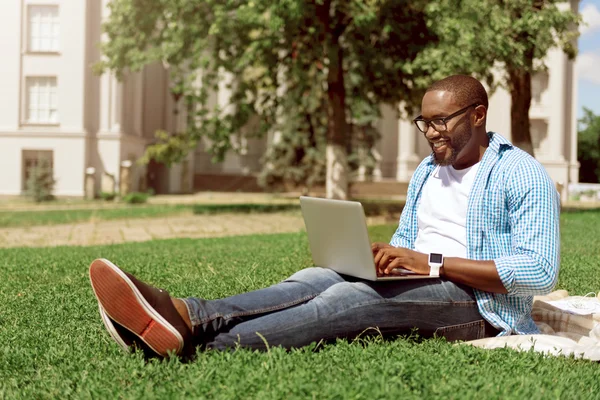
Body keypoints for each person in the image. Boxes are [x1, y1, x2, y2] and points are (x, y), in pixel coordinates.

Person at [89, 75, 560, 358]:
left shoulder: (520, 174)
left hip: (478, 308)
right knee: (310, 279)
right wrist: (385, 256)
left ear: (477, 116)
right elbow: (408, 238)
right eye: (424, 122)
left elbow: (538, 272)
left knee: (347, 301)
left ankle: (193, 345)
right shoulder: (427, 171)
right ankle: (187, 315)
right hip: (423, 279)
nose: (430, 132)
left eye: (441, 121)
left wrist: (428, 263)